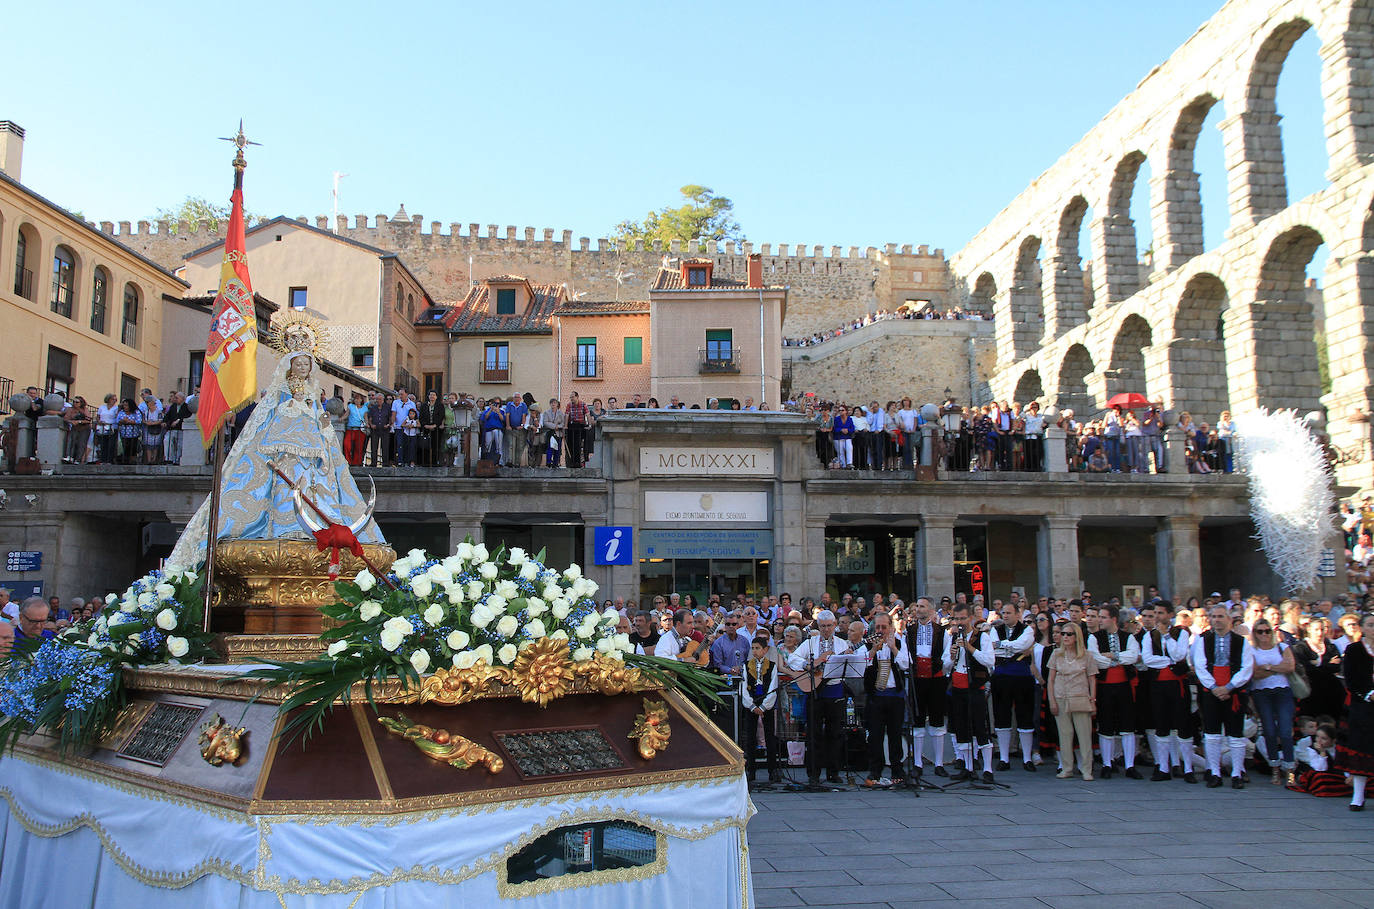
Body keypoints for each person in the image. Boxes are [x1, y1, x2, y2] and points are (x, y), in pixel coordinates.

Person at [163, 330, 384, 570]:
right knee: (285, 484)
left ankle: (323, 520)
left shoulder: (312, 393)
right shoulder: (282, 391)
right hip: (286, 452)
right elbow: (274, 416)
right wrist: (294, 405)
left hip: (314, 454)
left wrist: (321, 420)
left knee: (318, 484)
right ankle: (283, 523)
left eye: (306, 364)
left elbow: (319, 416)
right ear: (290, 366)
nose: (302, 368)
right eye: (298, 364)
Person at [786, 609, 852, 787]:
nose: (826, 630)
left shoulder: (841, 644)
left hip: (835, 691)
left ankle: (833, 772)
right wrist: (808, 664)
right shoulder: (810, 643)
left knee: (836, 734)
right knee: (814, 734)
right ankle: (813, 774)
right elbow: (792, 659)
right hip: (815, 692)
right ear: (818, 626)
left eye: (829, 626)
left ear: (835, 625)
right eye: (822, 626)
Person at [1192, 605, 1255, 788]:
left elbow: (1247, 667)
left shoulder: (1241, 642)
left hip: (1234, 692)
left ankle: (1237, 773)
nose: (1217, 619)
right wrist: (1214, 687)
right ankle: (1214, 772)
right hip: (1211, 691)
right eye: (1213, 616)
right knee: (1212, 733)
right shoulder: (1203, 641)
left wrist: (1228, 687)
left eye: (1220, 616)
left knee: (1235, 734)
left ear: (1229, 619)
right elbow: (1200, 665)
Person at [1139, 601, 1197, 782]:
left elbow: (1179, 655)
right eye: (1155, 613)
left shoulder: (1180, 633)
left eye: (1161, 613)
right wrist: (1169, 662)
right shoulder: (1149, 636)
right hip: (1158, 686)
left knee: (1183, 725)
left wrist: (1167, 637)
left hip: (1178, 685)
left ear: (1170, 615)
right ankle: (1163, 767)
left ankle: (1187, 768)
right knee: (1161, 725)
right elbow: (1148, 660)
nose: (1157, 616)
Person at [943, 602, 996, 782]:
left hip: (975, 686)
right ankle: (968, 767)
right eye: (956, 619)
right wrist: (951, 656)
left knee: (980, 726)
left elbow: (989, 660)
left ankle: (988, 769)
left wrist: (970, 648)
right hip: (958, 686)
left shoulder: (982, 637)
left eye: (963, 618)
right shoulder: (952, 637)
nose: (959, 622)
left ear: (970, 618)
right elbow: (945, 667)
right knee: (961, 727)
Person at [1088, 604, 1142, 778]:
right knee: (1105, 724)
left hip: (1124, 685)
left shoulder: (1128, 637)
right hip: (1104, 685)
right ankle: (1107, 764)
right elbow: (1096, 659)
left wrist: (1113, 656)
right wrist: (1118, 659)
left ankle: (1129, 765)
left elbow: (1133, 656)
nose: (1100, 620)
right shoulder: (1094, 637)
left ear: (1113, 619)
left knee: (1127, 724)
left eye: (1103, 617)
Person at [862, 611, 909, 787]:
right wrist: (874, 650)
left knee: (895, 735)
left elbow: (906, 665)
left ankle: (897, 771)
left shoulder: (899, 642)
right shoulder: (868, 644)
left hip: (895, 696)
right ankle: (875, 771)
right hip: (875, 697)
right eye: (878, 627)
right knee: (875, 736)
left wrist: (893, 649)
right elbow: (861, 665)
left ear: (891, 627)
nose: (881, 630)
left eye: (884, 627)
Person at [1248, 616, 1297, 785]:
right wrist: (1277, 669)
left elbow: (1290, 667)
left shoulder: (1282, 647)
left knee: (1285, 730)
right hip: (1261, 693)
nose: (1264, 634)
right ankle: (1275, 768)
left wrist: (1267, 667)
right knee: (1269, 730)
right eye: (1260, 631)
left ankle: (1290, 769)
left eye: (1267, 631)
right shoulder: (1252, 650)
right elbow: (1254, 673)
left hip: (1283, 691)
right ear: (1254, 633)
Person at [989, 601, 1037, 772]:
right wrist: (1010, 648)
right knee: (1002, 716)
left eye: (1009, 612)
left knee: (1024, 715)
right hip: (1001, 677)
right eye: (1004, 613)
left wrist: (1003, 646)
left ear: (1018, 614)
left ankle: (1027, 758)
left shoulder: (1027, 629)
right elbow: (993, 648)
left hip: (1022, 677)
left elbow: (1023, 644)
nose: (1006, 616)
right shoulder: (996, 629)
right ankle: (1004, 757)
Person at [905, 596, 950, 777]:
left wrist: (941, 666)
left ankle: (939, 763)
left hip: (936, 679)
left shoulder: (942, 632)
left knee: (937, 719)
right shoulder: (909, 631)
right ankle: (917, 763)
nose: (918, 609)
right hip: (917, 679)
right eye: (917, 606)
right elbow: (905, 654)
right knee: (917, 720)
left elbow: (947, 655)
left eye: (922, 606)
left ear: (931, 610)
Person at [1048, 622, 1097, 779]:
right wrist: (1052, 701)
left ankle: (1087, 769)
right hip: (1061, 696)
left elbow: (1092, 679)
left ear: (1077, 637)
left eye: (1069, 634)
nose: (1065, 637)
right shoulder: (1056, 654)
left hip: (1080, 696)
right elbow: (1050, 679)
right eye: (1063, 634)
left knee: (1084, 735)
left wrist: (1092, 699)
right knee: (1065, 734)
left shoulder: (1086, 655)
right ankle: (1067, 767)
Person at [1335, 612, 1374, 811]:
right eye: (1371, 625)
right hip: (1363, 705)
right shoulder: (1354, 650)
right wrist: (1369, 693)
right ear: (1363, 628)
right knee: (1362, 749)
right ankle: (1358, 796)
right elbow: (1350, 679)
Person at [740, 636, 782, 785]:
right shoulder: (746, 666)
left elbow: (773, 687)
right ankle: (751, 769)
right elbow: (743, 688)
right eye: (753, 648)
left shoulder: (771, 666)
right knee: (750, 737)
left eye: (758, 648)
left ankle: (773, 770)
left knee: (770, 736)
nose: (755, 651)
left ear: (765, 650)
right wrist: (751, 706)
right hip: (752, 702)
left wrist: (764, 706)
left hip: (765, 703)